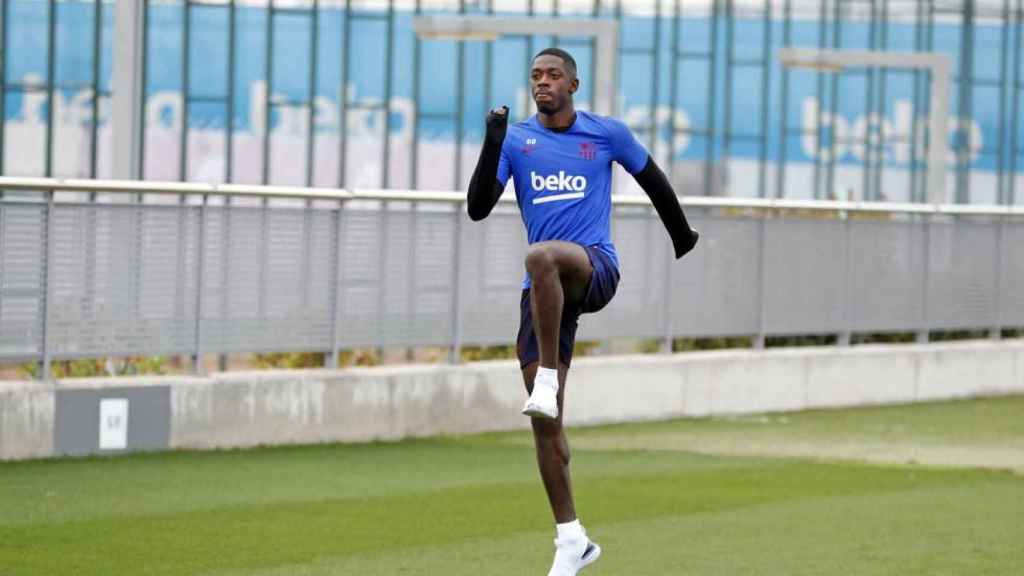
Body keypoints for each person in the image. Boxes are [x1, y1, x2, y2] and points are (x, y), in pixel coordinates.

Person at [466, 47, 699, 575]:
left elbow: (654, 180)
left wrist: (681, 236)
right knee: (546, 423)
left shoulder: (605, 133)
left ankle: (547, 375)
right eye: (535, 76)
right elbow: (478, 208)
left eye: (552, 75)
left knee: (541, 254)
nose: (542, 83)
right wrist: (492, 141)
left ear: (574, 83)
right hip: (544, 296)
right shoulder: (518, 141)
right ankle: (571, 539)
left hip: (593, 269)